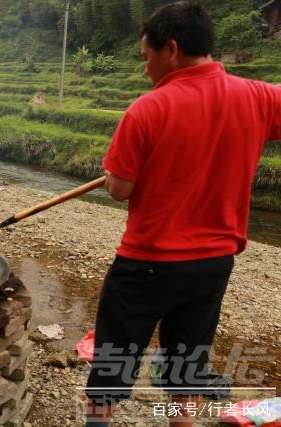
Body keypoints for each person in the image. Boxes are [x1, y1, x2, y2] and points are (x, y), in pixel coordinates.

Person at [84, 2, 281, 426]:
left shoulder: (147, 109)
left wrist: (110, 176)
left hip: (147, 264)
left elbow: (120, 190)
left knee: (113, 365)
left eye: (146, 57)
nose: (145, 68)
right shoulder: (260, 97)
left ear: (170, 49)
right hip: (212, 265)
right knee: (186, 367)